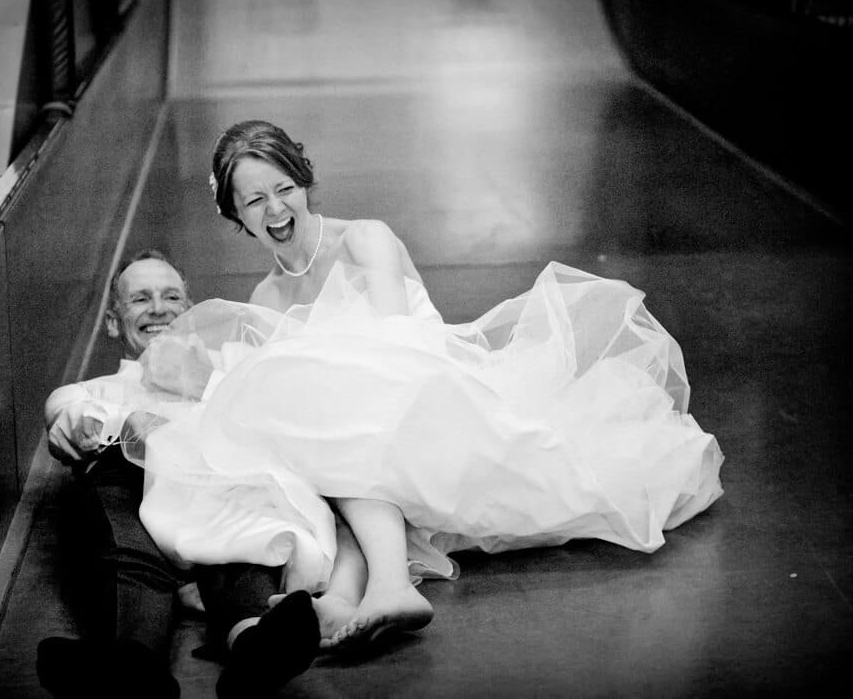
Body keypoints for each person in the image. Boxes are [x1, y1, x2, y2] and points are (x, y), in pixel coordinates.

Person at [137, 120, 725, 652]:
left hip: (430, 398)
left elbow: (397, 347)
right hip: (363, 433)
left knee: (336, 429)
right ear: (236, 216)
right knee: (313, 445)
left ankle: (386, 583)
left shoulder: (364, 238)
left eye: (284, 188)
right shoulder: (267, 296)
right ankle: (347, 596)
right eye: (255, 200)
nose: (276, 208)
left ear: (303, 180)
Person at [36, 249, 320, 699]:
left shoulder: (231, 372)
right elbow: (64, 415)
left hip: (219, 505)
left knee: (242, 521)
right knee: (120, 505)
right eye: (140, 299)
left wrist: (202, 386)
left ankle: (254, 647)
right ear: (113, 322)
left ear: (190, 313)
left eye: (172, 297)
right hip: (135, 506)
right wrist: (84, 426)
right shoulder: (92, 391)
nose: (158, 309)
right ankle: (134, 667)